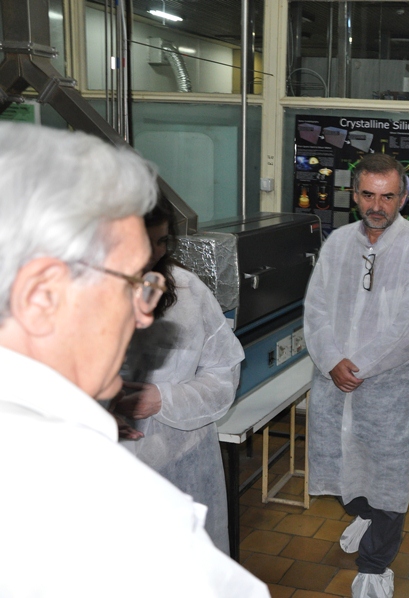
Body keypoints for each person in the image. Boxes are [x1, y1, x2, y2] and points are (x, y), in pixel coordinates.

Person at [0, 122, 268, 597]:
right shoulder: (114, 507)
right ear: (41, 295)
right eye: (130, 282)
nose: (144, 316)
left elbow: (222, 370)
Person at [304, 153, 409, 598]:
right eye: (368, 195)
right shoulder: (337, 244)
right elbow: (316, 308)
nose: (377, 206)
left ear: (403, 197)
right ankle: (362, 514)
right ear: (354, 194)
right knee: (342, 465)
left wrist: (359, 366)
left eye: (387, 197)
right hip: (334, 381)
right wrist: (331, 359)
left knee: (388, 477)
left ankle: (375, 565)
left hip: (389, 390)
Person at [114, 201, 244, 554]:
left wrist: (163, 399)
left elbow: (223, 371)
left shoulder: (187, 291)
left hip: (182, 463)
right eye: (144, 242)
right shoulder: (75, 294)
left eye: (161, 242)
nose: (154, 255)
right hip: (110, 472)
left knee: (187, 565)